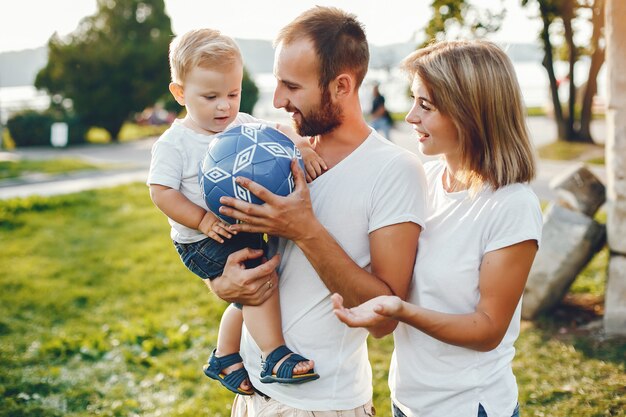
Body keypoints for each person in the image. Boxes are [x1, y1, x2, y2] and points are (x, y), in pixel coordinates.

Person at [210, 6, 428, 416]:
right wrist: (223, 286)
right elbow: (232, 249)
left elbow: (384, 319)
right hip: (252, 393)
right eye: (277, 83)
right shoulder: (275, 149)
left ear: (342, 85)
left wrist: (305, 230)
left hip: (322, 405)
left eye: (291, 86)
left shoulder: (394, 170)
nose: (277, 100)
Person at [332, 40, 543, 417]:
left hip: (466, 406)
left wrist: (402, 310)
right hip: (407, 400)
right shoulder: (423, 179)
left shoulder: (511, 205)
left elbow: (488, 329)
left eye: (425, 106)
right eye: (413, 101)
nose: (411, 116)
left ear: (470, 111)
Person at [147, 28, 326, 397]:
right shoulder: (175, 143)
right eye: (210, 96)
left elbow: (277, 130)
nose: (224, 106)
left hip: (236, 228)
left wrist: (301, 148)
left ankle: (224, 356)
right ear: (180, 93)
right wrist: (202, 219)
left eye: (233, 93)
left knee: (253, 287)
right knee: (258, 286)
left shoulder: (240, 126)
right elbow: (160, 192)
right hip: (201, 240)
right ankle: (274, 355)